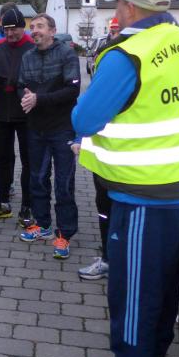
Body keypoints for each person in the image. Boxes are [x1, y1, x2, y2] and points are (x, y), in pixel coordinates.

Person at [74, 0, 179, 357]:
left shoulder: (127, 54)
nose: (116, 11)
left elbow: (85, 120)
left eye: (119, 4)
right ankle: (153, 355)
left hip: (140, 192)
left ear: (131, 8)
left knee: (133, 287)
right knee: (165, 279)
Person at [17, 13, 80, 259]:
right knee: (38, 179)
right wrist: (25, 97)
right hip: (36, 128)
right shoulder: (28, 57)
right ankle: (42, 225)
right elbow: (20, 85)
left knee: (64, 184)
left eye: (40, 26)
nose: (35, 30)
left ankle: (64, 234)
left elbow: (72, 90)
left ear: (52, 31)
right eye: (32, 27)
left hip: (62, 128)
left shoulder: (66, 54)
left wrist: (39, 99)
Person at [0, 5, 35, 226]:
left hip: (27, 113)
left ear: (23, 27)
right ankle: (3, 203)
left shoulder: (33, 46)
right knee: (3, 159)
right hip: (1, 112)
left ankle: (27, 206)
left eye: (14, 29)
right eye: (6, 29)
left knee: (29, 161)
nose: (10, 33)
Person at [79, 17, 122, 280]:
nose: (115, 32)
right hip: (161, 166)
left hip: (119, 157)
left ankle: (110, 259)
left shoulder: (121, 56)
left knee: (111, 207)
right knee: (106, 207)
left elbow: (84, 117)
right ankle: (109, 254)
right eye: (113, 29)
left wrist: (79, 128)